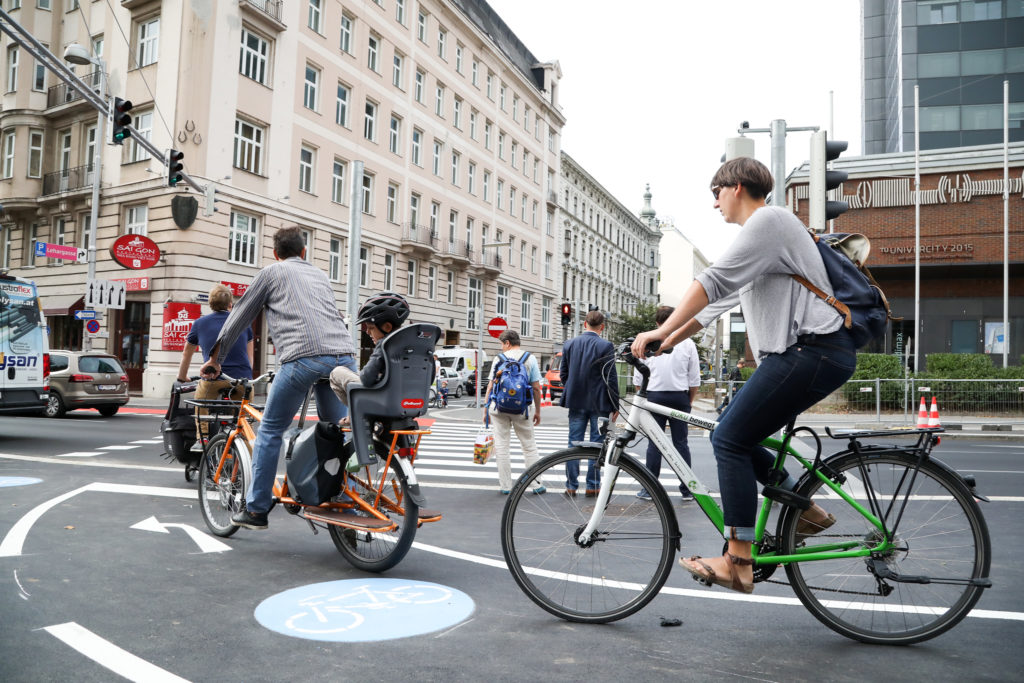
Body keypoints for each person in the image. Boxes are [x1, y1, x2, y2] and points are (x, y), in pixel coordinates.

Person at [630, 157, 854, 594]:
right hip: (803, 355)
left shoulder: (769, 220)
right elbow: (715, 303)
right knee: (734, 431)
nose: (715, 205)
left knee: (728, 440)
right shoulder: (765, 238)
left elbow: (712, 280)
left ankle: (738, 560)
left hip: (812, 352)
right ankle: (806, 512)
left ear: (735, 186)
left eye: (715, 193)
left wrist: (658, 328)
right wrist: (669, 339)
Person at [201, 226, 359, 530]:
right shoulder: (320, 275)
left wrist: (214, 360)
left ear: (276, 254)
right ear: (304, 252)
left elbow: (239, 317)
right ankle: (340, 496)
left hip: (302, 358)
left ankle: (257, 510)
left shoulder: (271, 272)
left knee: (271, 430)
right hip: (343, 357)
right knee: (334, 432)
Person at [633, 305, 701, 502]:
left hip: (654, 396)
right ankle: (687, 489)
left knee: (654, 443)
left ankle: (649, 490)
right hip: (679, 396)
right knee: (681, 443)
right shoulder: (687, 343)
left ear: (657, 323)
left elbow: (638, 378)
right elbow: (694, 378)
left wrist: (643, 398)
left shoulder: (649, 343)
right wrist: (688, 400)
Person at [176, 284, 253, 440]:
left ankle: (202, 438)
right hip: (241, 379)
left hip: (213, 377)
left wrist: (182, 377)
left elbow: (186, 353)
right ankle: (242, 439)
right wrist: (247, 375)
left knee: (201, 404)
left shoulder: (199, 323)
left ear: (210, 304)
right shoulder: (243, 323)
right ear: (230, 304)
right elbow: (249, 357)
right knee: (243, 415)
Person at [560, 309, 619, 497]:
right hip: (600, 403)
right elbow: (610, 377)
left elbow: (564, 374)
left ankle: (571, 485)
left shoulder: (569, 344)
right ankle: (593, 485)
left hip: (575, 400)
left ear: (585, 324)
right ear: (602, 327)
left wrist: (573, 387)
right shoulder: (605, 346)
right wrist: (615, 404)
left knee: (573, 443)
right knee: (597, 443)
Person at [482, 329, 546, 495]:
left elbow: (490, 386)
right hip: (522, 409)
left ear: (507, 343)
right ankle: (536, 484)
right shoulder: (529, 358)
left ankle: (505, 486)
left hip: (498, 408)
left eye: (502, 344)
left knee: (502, 446)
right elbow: (537, 388)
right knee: (529, 446)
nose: (502, 347)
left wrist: (485, 410)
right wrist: (537, 411)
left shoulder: (498, 358)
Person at [329, 291, 411, 408]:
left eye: (371, 328)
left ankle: (356, 414)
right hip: (406, 402)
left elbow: (366, 379)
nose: (367, 332)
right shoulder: (416, 346)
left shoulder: (385, 345)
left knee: (337, 373)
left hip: (382, 399)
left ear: (387, 327)